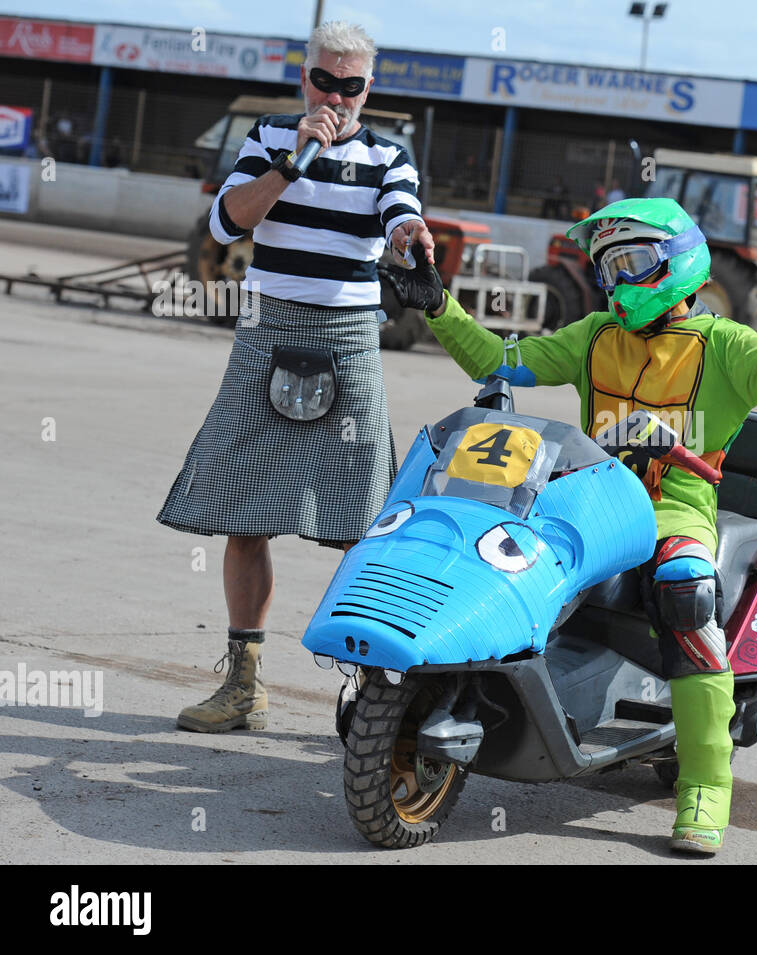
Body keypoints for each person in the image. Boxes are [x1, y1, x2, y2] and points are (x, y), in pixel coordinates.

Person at [380, 197, 757, 853]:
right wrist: (439, 305)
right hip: (590, 501)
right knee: (498, 559)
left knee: (685, 590)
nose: (618, 281)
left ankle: (705, 783)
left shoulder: (723, 344)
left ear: (680, 265)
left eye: (635, 262)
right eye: (609, 267)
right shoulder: (593, 336)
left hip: (677, 508)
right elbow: (500, 360)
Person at [157, 21, 434, 733]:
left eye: (352, 84)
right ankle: (244, 683)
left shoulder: (389, 155)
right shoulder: (268, 138)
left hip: (348, 337)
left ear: (369, 88)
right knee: (244, 513)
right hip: (265, 330)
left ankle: (378, 693)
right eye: (325, 80)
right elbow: (224, 224)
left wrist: (409, 235)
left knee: (362, 523)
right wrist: (291, 162)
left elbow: (400, 214)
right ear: (303, 77)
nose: (337, 96)